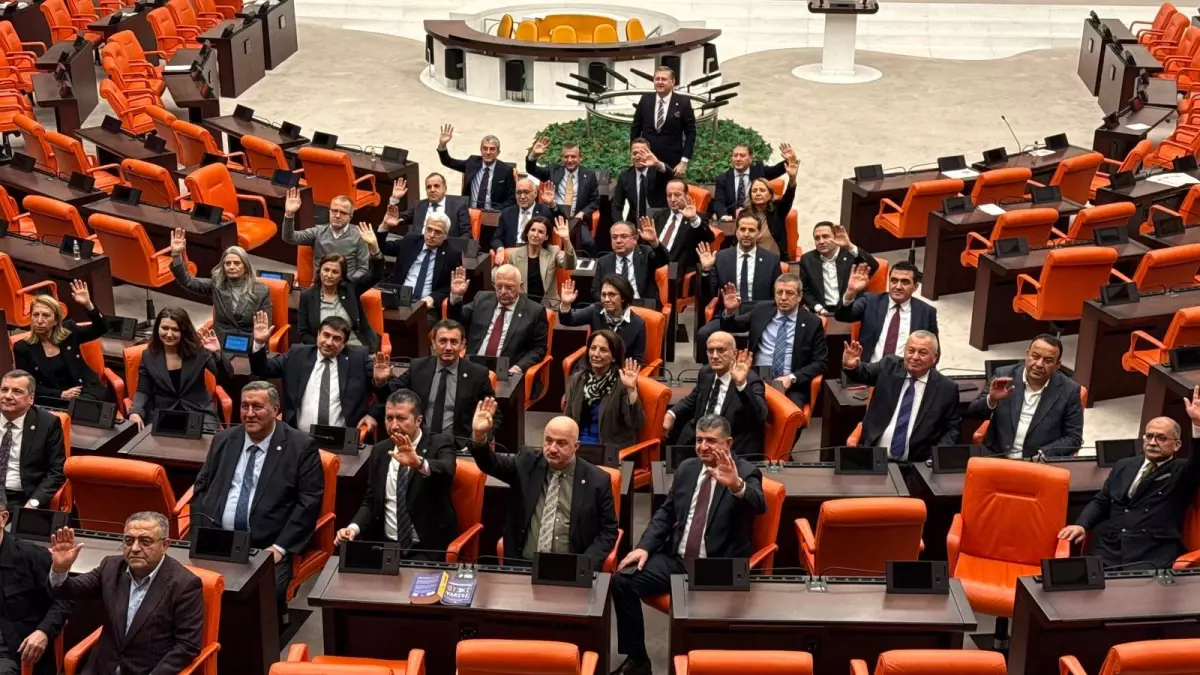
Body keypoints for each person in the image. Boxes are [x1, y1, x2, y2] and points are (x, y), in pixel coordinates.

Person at [611, 415, 765, 675]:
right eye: (699, 440)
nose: (703, 446)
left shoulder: (745, 472)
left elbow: (759, 504)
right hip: (678, 560)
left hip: (717, 567)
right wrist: (644, 546)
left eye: (711, 441)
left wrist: (736, 486)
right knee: (622, 581)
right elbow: (666, 513)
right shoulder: (687, 469)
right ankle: (638, 660)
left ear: (728, 443)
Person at [191, 382, 323, 620]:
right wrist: (201, 533)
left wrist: (280, 548)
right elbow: (201, 487)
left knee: (265, 595)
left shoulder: (300, 447)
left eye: (257, 407)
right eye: (244, 406)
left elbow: (309, 502)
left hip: (265, 545)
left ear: (275, 409)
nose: (249, 413)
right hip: (218, 539)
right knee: (188, 586)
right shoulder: (224, 439)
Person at [468, 400, 618, 570]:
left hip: (570, 569)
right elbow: (491, 464)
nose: (552, 448)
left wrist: (584, 564)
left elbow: (608, 531)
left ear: (575, 446)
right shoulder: (527, 463)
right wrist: (479, 436)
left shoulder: (597, 480)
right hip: (523, 565)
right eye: (548, 441)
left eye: (561, 443)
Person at [1059, 390, 1200, 568]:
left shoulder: (1182, 471)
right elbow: (1102, 501)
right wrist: (1081, 525)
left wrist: (1197, 425)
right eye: (1149, 436)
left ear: (1177, 445)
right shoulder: (1124, 465)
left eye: (1161, 438)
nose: (1153, 442)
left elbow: (1198, 460)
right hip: (1110, 548)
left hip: (1151, 553)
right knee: (1075, 579)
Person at [48, 514, 204, 673]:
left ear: (164, 545)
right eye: (129, 541)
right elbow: (69, 590)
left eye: (145, 542)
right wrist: (60, 569)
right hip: (102, 668)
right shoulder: (111, 567)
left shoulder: (184, 584)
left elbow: (187, 645)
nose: (135, 548)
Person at [336, 389, 458, 560]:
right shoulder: (380, 451)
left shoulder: (439, 443)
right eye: (389, 418)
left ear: (418, 420)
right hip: (386, 547)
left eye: (401, 418)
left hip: (427, 548)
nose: (394, 426)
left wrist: (419, 463)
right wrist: (353, 528)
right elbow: (371, 501)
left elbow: (447, 470)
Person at [248, 313, 376, 436]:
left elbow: (384, 390)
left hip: (341, 439)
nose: (329, 342)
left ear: (344, 344)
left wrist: (373, 414)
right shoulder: (297, 355)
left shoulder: (358, 359)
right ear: (318, 335)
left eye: (336, 339)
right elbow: (262, 369)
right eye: (326, 335)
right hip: (298, 438)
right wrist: (259, 343)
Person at [841, 332, 960, 462]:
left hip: (917, 464)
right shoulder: (889, 366)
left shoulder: (946, 389)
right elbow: (864, 373)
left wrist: (934, 460)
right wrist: (852, 366)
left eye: (923, 353)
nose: (915, 357)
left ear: (935, 357)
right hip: (875, 458)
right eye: (911, 351)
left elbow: (952, 430)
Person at [372, 320, 500, 440]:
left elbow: (494, 415)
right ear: (433, 343)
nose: (448, 347)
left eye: (454, 342)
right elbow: (391, 395)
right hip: (420, 442)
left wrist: (478, 438)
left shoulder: (477, 374)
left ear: (462, 344)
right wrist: (381, 381)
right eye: (443, 341)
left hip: (458, 445)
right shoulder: (418, 367)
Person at [716, 275, 828, 410]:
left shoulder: (812, 323)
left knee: (791, 415)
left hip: (791, 384)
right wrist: (729, 311)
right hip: (757, 377)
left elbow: (821, 362)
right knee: (735, 408)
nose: (783, 298)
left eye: (789, 293)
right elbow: (732, 326)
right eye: (779, 292)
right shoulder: (761, 310)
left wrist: (792, 378)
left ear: (799, 296)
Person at [965, 335, 1083, 458]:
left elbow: (1073, 438)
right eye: (1035, 356)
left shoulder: (1069, 390)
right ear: (1027, 354)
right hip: (996, 454)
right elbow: (973, 413)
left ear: (1058, 364)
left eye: (1048, 361)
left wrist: (1045, 453)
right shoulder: (1004, 375)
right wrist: (992, 399)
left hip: (1036, 461)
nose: (1039, 364)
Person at [0, 492, 71, 675]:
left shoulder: (31, 556)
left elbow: (64, 599)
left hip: (11, 651)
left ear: (3, 518)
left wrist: (43, 632)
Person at [664, 333, 768, 458]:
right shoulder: (706, 372)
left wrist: (741, 385)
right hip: (699, 441)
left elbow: (760, 416)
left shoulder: (750, 381)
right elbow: (693, 399)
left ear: (734, 353)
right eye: (710, 351)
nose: (714, 356)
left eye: (721, 350)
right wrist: (671, 414)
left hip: (728, 449)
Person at [128, 309, 231, 432]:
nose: (169, 334)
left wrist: (217, 354)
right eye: (165, 328)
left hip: (198, 412)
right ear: (157, 329)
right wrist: (135, 411)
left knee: (205, 442)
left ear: (184, 331)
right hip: (164, 413)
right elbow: (143, 391)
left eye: (175, 329)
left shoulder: (198, 350)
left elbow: (225, 377)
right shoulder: (148, 356)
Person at [14, 281, 113, 404]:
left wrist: (88, 304)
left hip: (86, 391)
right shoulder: (22, 348)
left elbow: (101, 328)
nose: (39, 320)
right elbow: (27, 385)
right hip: (55, 399)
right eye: (35, 315)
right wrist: (60, 394)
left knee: (87, 405)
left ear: (56, 320)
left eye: (46, 315)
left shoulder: (69, 332)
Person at [447, 265, 549, 380]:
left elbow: (539, 349)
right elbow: (456, 322)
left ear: (520, 286)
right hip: (472, 369)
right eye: (499, 286)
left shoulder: (535, 311)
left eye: (509, 287)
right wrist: (456, 296)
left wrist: (518, 367)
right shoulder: (481, 299)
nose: (503, 291)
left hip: (507, 372)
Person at [169, 231, 272, 340]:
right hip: (219, 342)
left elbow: (265, 327)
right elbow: (187, 281)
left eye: (237, 263)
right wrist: (176, 255)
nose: (231, 267)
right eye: (227, 263)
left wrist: (257, 343)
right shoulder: (217, 285)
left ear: (246, 267)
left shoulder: (261, 291)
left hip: (249, 342)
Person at [835, 261, 939, 364]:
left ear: (915, 286)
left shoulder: (927, 312)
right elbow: (842, 316)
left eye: (905, 282)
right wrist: (851, 292)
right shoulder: (870, 301)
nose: (898, 287)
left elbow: (934, 351)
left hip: (906, 371)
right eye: (894, 281)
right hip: (869, 369)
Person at [564, 332, 645, 447]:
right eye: (593, 348)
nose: (596, 354)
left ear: (614, 357)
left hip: (608, 448)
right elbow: (568, 418)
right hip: (576, 445)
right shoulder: (578, 379)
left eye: (603, 350)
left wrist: (631, 390)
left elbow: (636, 423)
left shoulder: (622, 382)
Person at [282, 189, 382, 282]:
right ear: (329, 212)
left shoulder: (360, 235)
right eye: (334, 211)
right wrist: (289, 214)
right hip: (319, 286)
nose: (337, 216)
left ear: (350, 217)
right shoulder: (317, 231)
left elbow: (362, 269)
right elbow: (289, 238)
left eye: (343, 213)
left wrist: (346, 284)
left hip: (346, 287)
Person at [298, 246, 384, 351]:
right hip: (323, 348)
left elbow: (375, 275)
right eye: (326, 270)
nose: (329, 275)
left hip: (353, 346)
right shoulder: (307, 296)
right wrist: (323, 347)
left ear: (341, 276)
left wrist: (375, 250)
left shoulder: (351, 288)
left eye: (334, 272)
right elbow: (304, 332)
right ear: (320, 271)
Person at [0, 371, 65, 510]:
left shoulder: (47, 423)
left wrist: (34, 503)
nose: (8, 396)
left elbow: (57, 471)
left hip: (22, 499)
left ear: (31, 398)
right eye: (4, 390)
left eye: (17, 391)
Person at [379, 210, 463, 310]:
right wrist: (385, 226)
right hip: (398, 299)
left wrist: (433, 297)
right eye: (429, 229)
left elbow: (451, 286)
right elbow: (383, 248)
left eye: (437, 232)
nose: (431, 235)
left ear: (445, 236)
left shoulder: (452, 254)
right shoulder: (411, 241)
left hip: (427, 307)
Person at [558, 276, 648, 365]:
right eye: (603, 295)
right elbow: (568, 320)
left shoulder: (638, 324)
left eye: (612, 295)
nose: (606, 299)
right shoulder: (595, 310)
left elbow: (638, 361)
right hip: (592, 367)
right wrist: (565, 304)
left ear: (623, 297)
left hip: (619, 371)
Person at [797, 222, 879, 315]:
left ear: (835, 237)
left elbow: (873, 266)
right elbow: (805, 290)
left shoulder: (851, 254)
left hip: (850, 309)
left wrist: (849, 246)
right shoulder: (807, 260)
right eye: (817, 238)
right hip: (822, 311)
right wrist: (818, 308)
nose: (821, 241)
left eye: (826, 236)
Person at [698, 214, 781, 305]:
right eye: (742, 229)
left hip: (760, 312)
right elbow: (708, 296)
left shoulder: (772, 260)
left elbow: (776, 295)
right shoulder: (721, 258)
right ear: (736, 232)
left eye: (751, 230)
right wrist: (706, 270)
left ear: (758, 233)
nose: (746, 234)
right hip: (729, 310)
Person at [628, 66, 696, 176]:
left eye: (663, 79)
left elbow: (691, 134)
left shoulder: (683, 103)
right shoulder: (645, 100)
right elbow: (635, 129)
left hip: (672, 163)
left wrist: (684, 162)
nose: (659, 82)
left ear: (672, 82)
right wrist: (634, 154)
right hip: (646, 160)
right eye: (657, 79)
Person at [436, 124, 516, 210]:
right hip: (470, 213)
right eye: (485, 148)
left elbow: (512, 199)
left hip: (494, 214)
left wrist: (496, 210)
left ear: (498, 152)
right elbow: (448, 162)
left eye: (492, 149)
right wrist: (442, 145)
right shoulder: (472, 163)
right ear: (480, 150)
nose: (488, 152)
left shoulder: (505, 171)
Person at [526, 137, 600, 225]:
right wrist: (533, 155)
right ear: (562, 158)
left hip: (577, 220)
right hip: (553, 217)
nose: (569, 160)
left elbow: (595, 201)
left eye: (573, 157)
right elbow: (532, 170)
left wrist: (583, 213)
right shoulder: (553, 171)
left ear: (580, 158)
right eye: (566, 157)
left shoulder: (589, 175)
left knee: (584, 234)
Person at [504, 215, 576, 304]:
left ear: (546, 237)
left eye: (540, 232)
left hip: (547, 305)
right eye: (532, 230)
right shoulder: (514, 255)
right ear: (527, 233)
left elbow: (570, 265)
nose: (535, 235)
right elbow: (508, 280)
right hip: (523, 305)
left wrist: (566, 239)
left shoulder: (553, 251)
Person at [736, 152, 798, 257]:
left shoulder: (778, 209)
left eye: (762, 190)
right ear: (750, 195)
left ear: (770, 194)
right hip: (750, 257)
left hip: (774, 258)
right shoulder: (744, 213)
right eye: (754, 191)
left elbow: (789, 195)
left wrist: (792, 178)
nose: (758, 193)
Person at [592, 220, 668, 304]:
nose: (618, 241)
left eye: (623, 237)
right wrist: (610, 301)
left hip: (642, 304)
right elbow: (595, 291)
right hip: (614, 306)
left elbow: (664, 261)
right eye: (614, 237)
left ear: (634, 239)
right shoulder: (604, 261)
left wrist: (654, 242)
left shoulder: (645, 253)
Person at [711, 143, 791, 220]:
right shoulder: (723, 179)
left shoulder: (759, 171)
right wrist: (723, 216)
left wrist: (789, 160)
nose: (738, 159)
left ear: (750, 158)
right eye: (735, 155)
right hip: (733, 220)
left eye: (742, 156)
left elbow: (776, 169)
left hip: (758, 219)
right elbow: (719, 201)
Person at [651, 179, 712, 271]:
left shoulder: (697, 217)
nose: (672, 199)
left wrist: (694, 219)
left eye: (677, 195)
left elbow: (709, 238)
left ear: (686, 196)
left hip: (675, 267)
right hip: (655, 262)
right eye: (669, 195)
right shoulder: (659, 215)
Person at [385, 174, 471, 238]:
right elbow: (395, 217)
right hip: (419, 248)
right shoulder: (419, 205)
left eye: (436, 186)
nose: (432, 190)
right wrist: (394, 199)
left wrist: (454, 250)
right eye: (429, 187)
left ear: (445, 189)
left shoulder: (459, 206)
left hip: (445, 251)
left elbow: (467, 233)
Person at [610, 138, 672, 224]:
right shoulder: (625, 177)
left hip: (659, 222)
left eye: (642, 153)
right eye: (635, 153)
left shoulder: (658, 172)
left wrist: (657, 163)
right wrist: (620, 225)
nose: (638, 156)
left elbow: (672, 176)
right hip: (635, 223)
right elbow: (616, 207)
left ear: (649, 154)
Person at [490, 177, 555, 253]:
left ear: (535, 193)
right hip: (511, 253)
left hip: (536, 253)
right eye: (518, 193)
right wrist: (500, 250)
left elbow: (560, 221)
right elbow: (496, 238)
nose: (522, 197)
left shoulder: (544, 211)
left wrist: (552, 204)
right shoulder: (507, 213)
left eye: (526, 192)